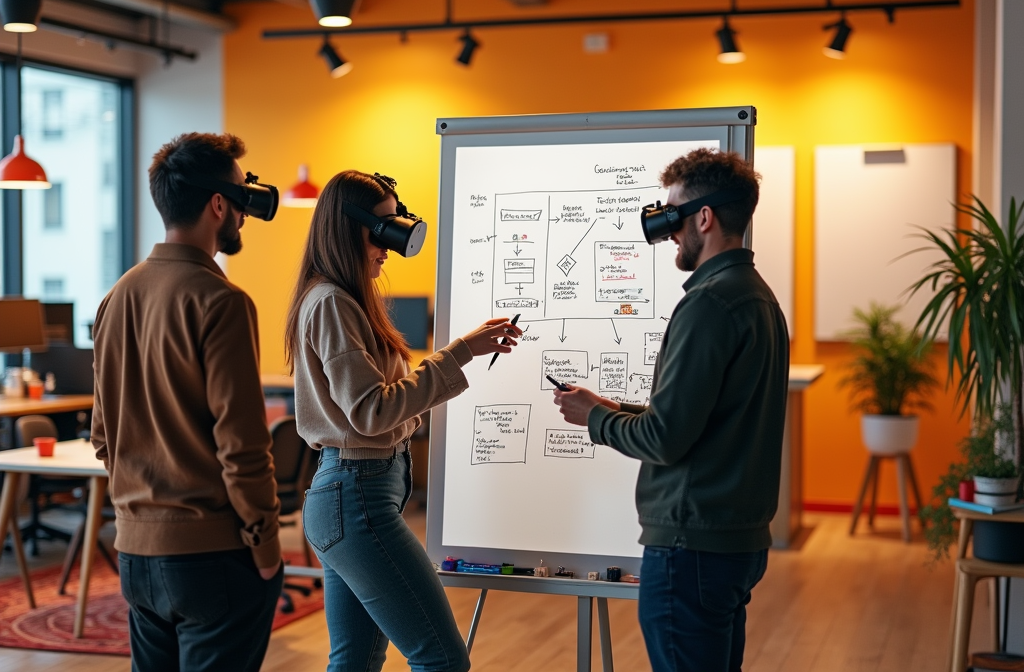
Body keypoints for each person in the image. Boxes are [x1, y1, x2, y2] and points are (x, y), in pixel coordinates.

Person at [553, 147, 789, 672]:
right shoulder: (757, 298)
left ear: (703, 217)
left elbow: (664, 438)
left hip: (691, 544)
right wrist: (614, 406)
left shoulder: (708, 302)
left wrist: (594, 420)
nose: (669, 229)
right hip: (732, 541)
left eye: (674, 212)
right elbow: (705, 416)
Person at [285, 170, 520, 672]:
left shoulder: (342, 299)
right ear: (352, 228)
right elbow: (372, 411)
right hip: (357, 494)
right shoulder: (331, 302)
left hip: (356, 493)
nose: (392, 244)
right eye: (386, 228)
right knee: (441, 658)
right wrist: (458, 355)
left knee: (356, 661)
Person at [91, 133, 283, 672]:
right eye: (243, 195)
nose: (247, 210)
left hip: (136, 555)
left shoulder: (116, 297)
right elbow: (242, 445)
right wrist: (266, 548)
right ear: (218, 205)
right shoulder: (222, 301)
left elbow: (103, 435)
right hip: (214, 556)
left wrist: (140, 516)